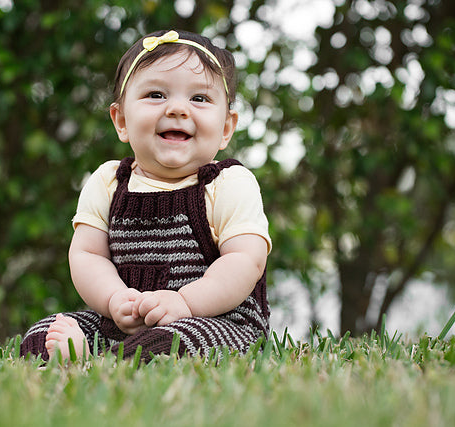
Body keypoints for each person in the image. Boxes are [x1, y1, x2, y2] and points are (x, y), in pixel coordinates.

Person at [20, 29, 271, 362]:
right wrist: (113, 299)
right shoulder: (109, 182)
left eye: (199, 98)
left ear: (226, 128)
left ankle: (105, 360)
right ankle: (98, 351)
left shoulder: (228, 184)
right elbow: (87, 256)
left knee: (177, 343)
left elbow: (245, 260)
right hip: (123, 321)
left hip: (215, 320)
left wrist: (185, 304)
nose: (178, 109)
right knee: (44, 331)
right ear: (121, 120)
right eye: (156, 94)